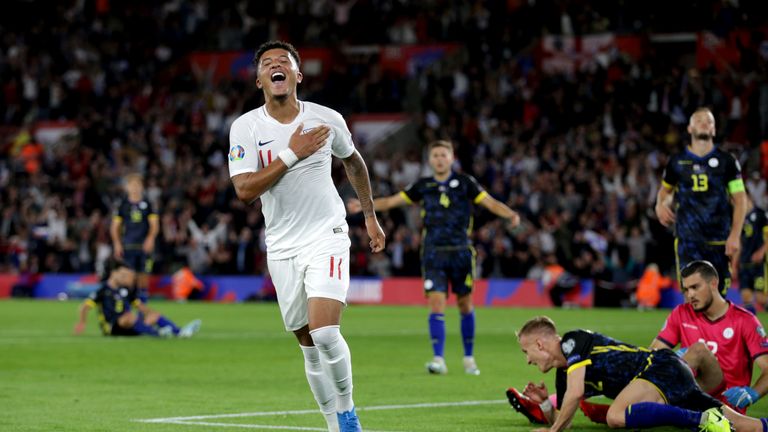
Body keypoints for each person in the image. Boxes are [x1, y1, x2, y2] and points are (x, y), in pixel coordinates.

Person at [228, 40, 385, 432]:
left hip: (327, 233)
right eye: (268, 63)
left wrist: (369, 214)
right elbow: (245, 191)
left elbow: (353, 161)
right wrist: (292, 153)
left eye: (285, 62)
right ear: (259, 80)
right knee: (308, 346)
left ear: (298, 75)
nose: (276, 66)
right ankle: (332, 423)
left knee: (326, 332)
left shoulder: (326, 118)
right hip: (281, 245)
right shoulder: (245, 127)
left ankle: (348, 414)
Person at [369, 140, 520, 375]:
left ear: (451, 158)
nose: (439, 159)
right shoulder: (423, 185)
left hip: (460, 251)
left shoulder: (465, 183)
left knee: (465, 304)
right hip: (433, 253)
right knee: (436, 303)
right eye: (435, 155)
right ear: (429, 160)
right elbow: (391, 201)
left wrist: (510, 214)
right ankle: (438, 359)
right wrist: (366, 207)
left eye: (443, 155)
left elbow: (489, 202)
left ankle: (469, 358)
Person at [568, 259, 768, 425]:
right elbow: (651, 354)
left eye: (695, 287)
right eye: (686, 289)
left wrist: (752, 394)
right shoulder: (681, 313)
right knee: (657, 364)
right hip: (686, 393)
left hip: (726, 400)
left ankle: (626, 409)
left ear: (714, 283)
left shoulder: (745, 320)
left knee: (694, 352)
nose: (690, 295)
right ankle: (622, 407)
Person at [513, 315, 768, 432]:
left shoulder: (572, 341)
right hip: (664, 380)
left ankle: (701, 421)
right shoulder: (566, 372)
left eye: (526, 351)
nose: (527, 360)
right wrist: (545, 403)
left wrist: (554, 431)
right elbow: (562, 418)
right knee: (747, 427)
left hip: (659, 367)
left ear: (539, 345)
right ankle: (719, 420)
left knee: (615, 416)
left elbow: (575, 395)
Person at [655, 107, 747, 296]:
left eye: (709, 121)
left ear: (714, 129)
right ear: (689, 128)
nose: (704, 123)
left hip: (719, 240)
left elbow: (740, 199)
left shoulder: (727, 161)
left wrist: (735, 235)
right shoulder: (677, 162)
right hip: (688, 240)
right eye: (699, 120)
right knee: (692, 297)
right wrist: (661, 204)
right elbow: (665, 192)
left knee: (717, 298)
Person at [73, 259, 201, 338]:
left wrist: (151, 315)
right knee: (128, 316)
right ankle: (158, 334)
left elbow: (140, 306)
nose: (124, 277)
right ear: (113, 274)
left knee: (152, 315)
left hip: (130, 324)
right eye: (122, 274)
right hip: (112, 328)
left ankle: (180, 332)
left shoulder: (125, 290)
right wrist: (82, 322)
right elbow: (84, 307)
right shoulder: (103, 290)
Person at [110, 173, 159, 302]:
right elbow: (115, 227)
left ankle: (142, 310)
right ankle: (126, 309)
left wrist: (150, 238)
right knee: (128, 278)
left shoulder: (148, 204)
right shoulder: (122, 205)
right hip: (128, 245)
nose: (135, 188)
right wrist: (117, 243)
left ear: (142, 187)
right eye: (132, 185)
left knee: (143, 278)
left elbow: (154, 225)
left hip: (144, 245)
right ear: (127, 187)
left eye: (138, 185)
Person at [736, 194, 768, 314]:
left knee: (760, 298)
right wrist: (734, 264)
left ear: (748, 198)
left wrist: (761, 252)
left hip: (758, 265)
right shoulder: (739, 217)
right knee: (746, 298)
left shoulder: (760, 214)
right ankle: (753, 330)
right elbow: (738, 243)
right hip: (744, 264)